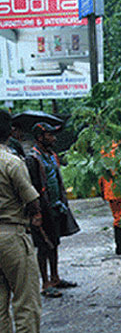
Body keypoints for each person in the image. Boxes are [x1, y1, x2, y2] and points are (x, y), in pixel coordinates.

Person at [0, 109, 43, 333]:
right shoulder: (11, 162)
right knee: (26, 302)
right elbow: (32, 200)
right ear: (9, 132)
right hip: (11, 235)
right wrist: (35, 217)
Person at [26, 122, 80, 298]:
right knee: (43, 245)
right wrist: (36, 212)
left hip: (55, 206)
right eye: (49, 135)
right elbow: (31, 187)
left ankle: (55, 277)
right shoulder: (33, 159)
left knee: (54, 242)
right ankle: (45, 283)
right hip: (42, 208)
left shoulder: (51, 156)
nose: (54, 138)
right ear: (40, 137)